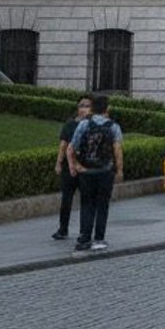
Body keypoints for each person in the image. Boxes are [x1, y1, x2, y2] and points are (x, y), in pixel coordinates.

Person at [67, 94, 125, 252]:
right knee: (102, 205)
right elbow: (118, 151)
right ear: (107, 108)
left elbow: (72, 148)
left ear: (92, 108)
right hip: (105, 171)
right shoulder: (113, 127)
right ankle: (99, 239)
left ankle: (84, 238)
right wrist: (119, 170)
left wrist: (76, 166)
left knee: (87, 204)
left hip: (86, 172)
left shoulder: (84, 124)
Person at [51, 95, 94, 241]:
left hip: (85, 168)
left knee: (86, 200)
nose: (84, 109)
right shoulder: (70, 124)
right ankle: (63, 229)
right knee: (66, 199)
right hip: (68, 169)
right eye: (82, 106)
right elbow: (63, 145)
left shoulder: (93, 125)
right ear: (77, 108)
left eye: (87, 106)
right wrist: (58, 163)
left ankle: (84, 231)